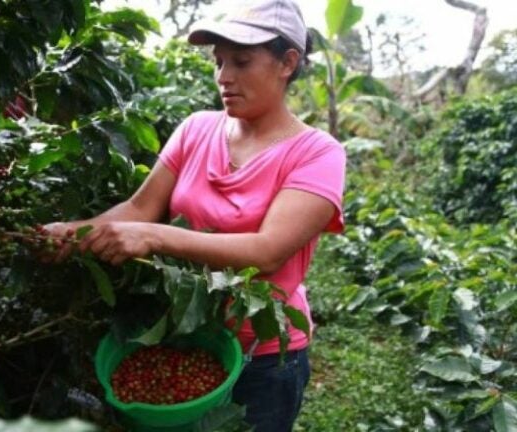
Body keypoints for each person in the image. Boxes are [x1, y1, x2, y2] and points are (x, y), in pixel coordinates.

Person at [41, 0, 346, 430]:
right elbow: (140, 208)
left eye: (241, 61)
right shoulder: (196, 128)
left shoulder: (317, 154)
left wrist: (155, 237)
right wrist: (72, 234)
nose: (224, 76)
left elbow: (269, 251)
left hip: (262, 357)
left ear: (287, 62)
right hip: (185, 337)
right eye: (219, 62)